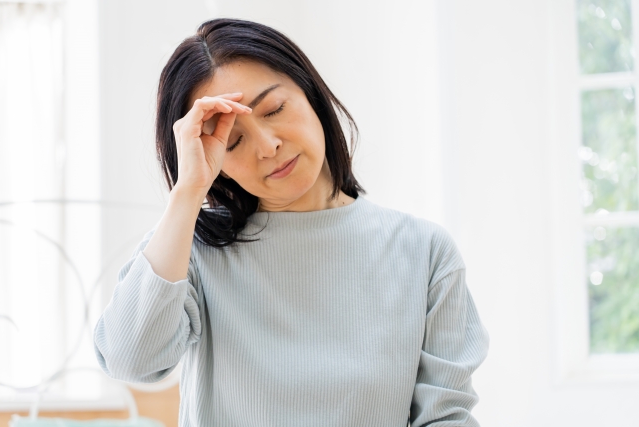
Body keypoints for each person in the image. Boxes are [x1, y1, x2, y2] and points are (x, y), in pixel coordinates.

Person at [93, 18, 489, 427]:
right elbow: (129, 361)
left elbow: (446, 417)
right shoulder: (192, 251)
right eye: (233, 141)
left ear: (311, 93)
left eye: (275, 109)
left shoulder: (424, 252)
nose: (268, 146)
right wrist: (188, 191)